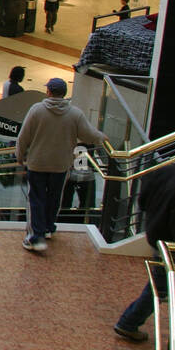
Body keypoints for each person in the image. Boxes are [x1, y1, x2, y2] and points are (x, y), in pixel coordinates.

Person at [113, 142, 175, 342]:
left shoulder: (166, 171)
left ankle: (132, 323)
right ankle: (128, 322)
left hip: (156, 235)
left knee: (161, 285)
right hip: (171, 247)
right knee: (159, 288)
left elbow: (143, 201)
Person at [16, 77, 109, 252]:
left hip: (37, 163)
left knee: (36, 199)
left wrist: (19, 156)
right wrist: (101, 137)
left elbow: (23, 137)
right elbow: (88, 135)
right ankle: (49, 227)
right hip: (61, 165)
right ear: (64, 94)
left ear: (48, 91)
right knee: (54, 197)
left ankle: (36, 237)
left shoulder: (36, 110)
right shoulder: (75, 114)